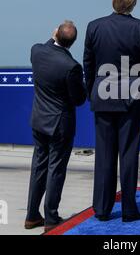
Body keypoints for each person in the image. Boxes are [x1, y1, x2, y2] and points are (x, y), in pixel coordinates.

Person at [83, 0, 140, 222]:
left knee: (104, 154)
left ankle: (102, 208)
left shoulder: (94, 27)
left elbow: (88, 64)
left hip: (103, 96)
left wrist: (91, 92)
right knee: (129, 153)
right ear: (134, 1)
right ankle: (128, 208)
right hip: (132, 98)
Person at [25, 21, 87, 232]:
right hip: (60, 124)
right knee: (56, 170)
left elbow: (45, 47)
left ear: (55, 35)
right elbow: (79, 99)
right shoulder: (71, 66)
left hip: (39, 120)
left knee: (39, 167)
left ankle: (32, 215)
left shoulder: (37, 51)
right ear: (72, 42)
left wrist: (53, 39)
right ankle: (51, 218)